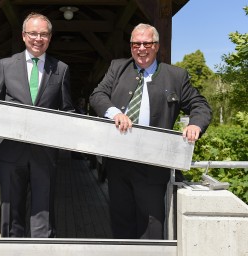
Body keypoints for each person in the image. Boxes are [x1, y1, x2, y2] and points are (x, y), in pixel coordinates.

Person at [89, 23, 212, 239]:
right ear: (131, 46)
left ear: (156, 46)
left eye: (147, 43)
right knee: (121, 223)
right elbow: (97, 95)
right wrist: (114, 113)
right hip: (119, 162)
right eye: (136, 43)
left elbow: (200, 106)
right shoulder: (117, 68)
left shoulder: (176, 76)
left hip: (154, 165)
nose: (141, 48)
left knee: (151, 227)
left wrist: (195, 124)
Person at [0, 12, 74, 238]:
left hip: (44, 153)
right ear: (24, 36)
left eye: (44, 34)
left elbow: (68, 111)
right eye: (33, 33)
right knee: (11, 214)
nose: (38, 38)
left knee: (43, 216)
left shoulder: (61, 69)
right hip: (10, 151)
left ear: (50, 37)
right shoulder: (6, 65)